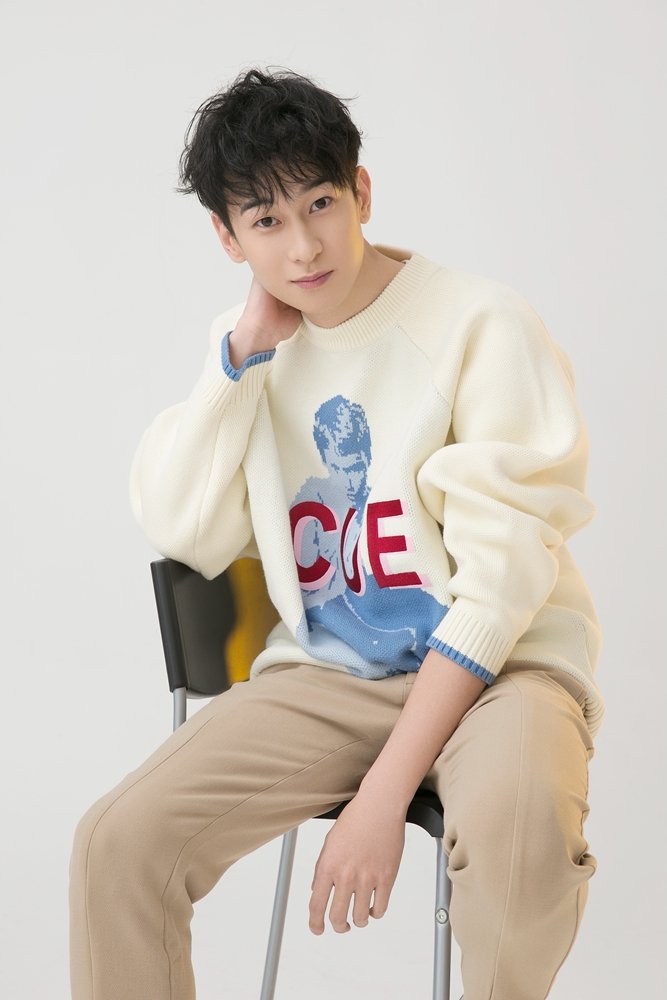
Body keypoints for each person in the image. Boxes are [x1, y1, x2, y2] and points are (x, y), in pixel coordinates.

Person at [69, 66, 604, 1000]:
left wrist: (382, 797)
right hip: (331, 678)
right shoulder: (255, 351)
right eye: (266, 221)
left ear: (361, 190)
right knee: (116, 844)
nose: (304, 246)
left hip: (502, 670)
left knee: (522, 838)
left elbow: (498, 591)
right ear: (227, 237)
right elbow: (185, 528)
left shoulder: (479, 325)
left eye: (319, 202)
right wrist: (237, 360)